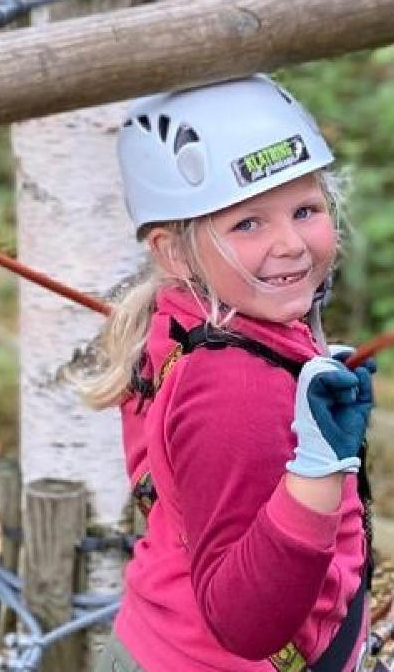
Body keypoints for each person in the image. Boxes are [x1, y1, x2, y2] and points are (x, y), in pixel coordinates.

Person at [77, 75, 378, 671]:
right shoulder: (236, 384)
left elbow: (159, 477)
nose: (291, 244)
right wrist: (316, 470)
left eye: (305, 209)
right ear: (174, 252)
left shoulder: (179, 325)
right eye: (248, 224)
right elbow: (247, 623)